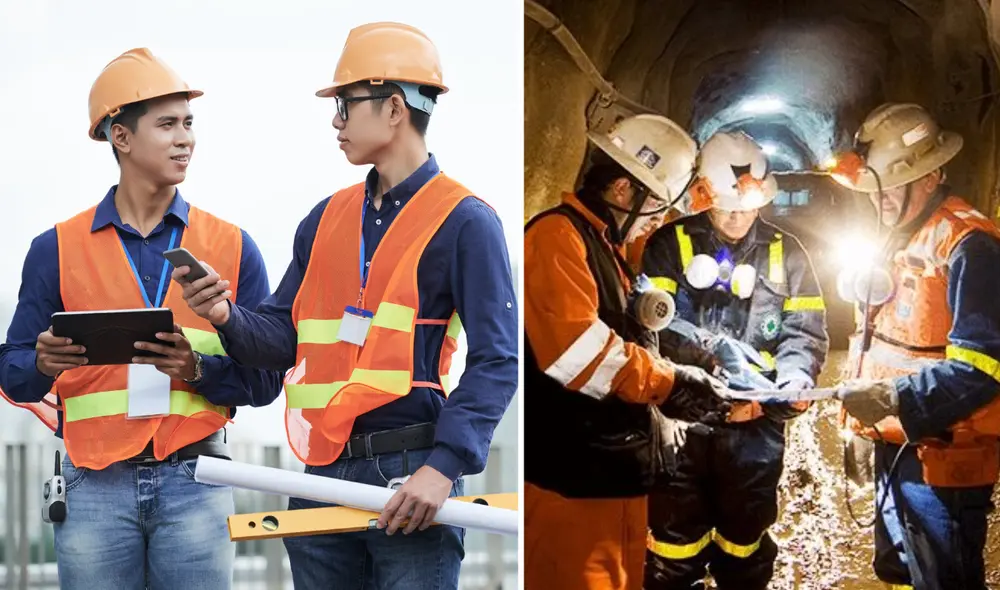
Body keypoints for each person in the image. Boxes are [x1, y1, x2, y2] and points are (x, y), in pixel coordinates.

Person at [174, 22, 518, 589]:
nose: (334, 121)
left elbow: (497, 360)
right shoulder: (325, 218)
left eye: (344, 104)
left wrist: (442, 469)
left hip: (412, 476)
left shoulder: (466, 222)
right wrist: (224, 316)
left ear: (393, 109)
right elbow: (285, 338)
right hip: (323, 475)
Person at [0, 48, 281, 590]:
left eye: (189, 123)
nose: (186, 139)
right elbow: (12, 371)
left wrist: (197, 370)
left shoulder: (232, 246)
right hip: (94, 488)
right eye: (168, 124)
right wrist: (40, 360)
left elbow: (267, 378)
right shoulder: (54, 249)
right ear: (120, 137)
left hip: (197, 480)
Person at [524, 113, 735, 590]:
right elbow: (579, 353)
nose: (660, 218)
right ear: (623, 190)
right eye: (657, 204)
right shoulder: (556, 238)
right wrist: (671, 384)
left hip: (610, 471)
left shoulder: (604, 244)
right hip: (569, 480)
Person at [641, 130, 829, 590]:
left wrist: (795, 377)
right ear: (703, 194)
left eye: (748, 206)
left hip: (755, 429)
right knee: (672, 547)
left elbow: (804, 331)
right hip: (682, 423)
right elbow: (652, 326)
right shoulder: (668, 245)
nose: (739, 216)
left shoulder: (789, 253)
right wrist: (708, 348)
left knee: (744, 545)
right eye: (727, 205)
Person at [834, 103, 1000, 590]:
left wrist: (894, 400)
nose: (877, 202)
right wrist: (865, 429)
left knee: (942, 577)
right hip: (897, 441)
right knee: (898, 568)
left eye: (885, 190)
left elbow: (983, 366)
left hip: (945, 458)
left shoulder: (971, 246)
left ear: (928, 175)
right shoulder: (900, 234)